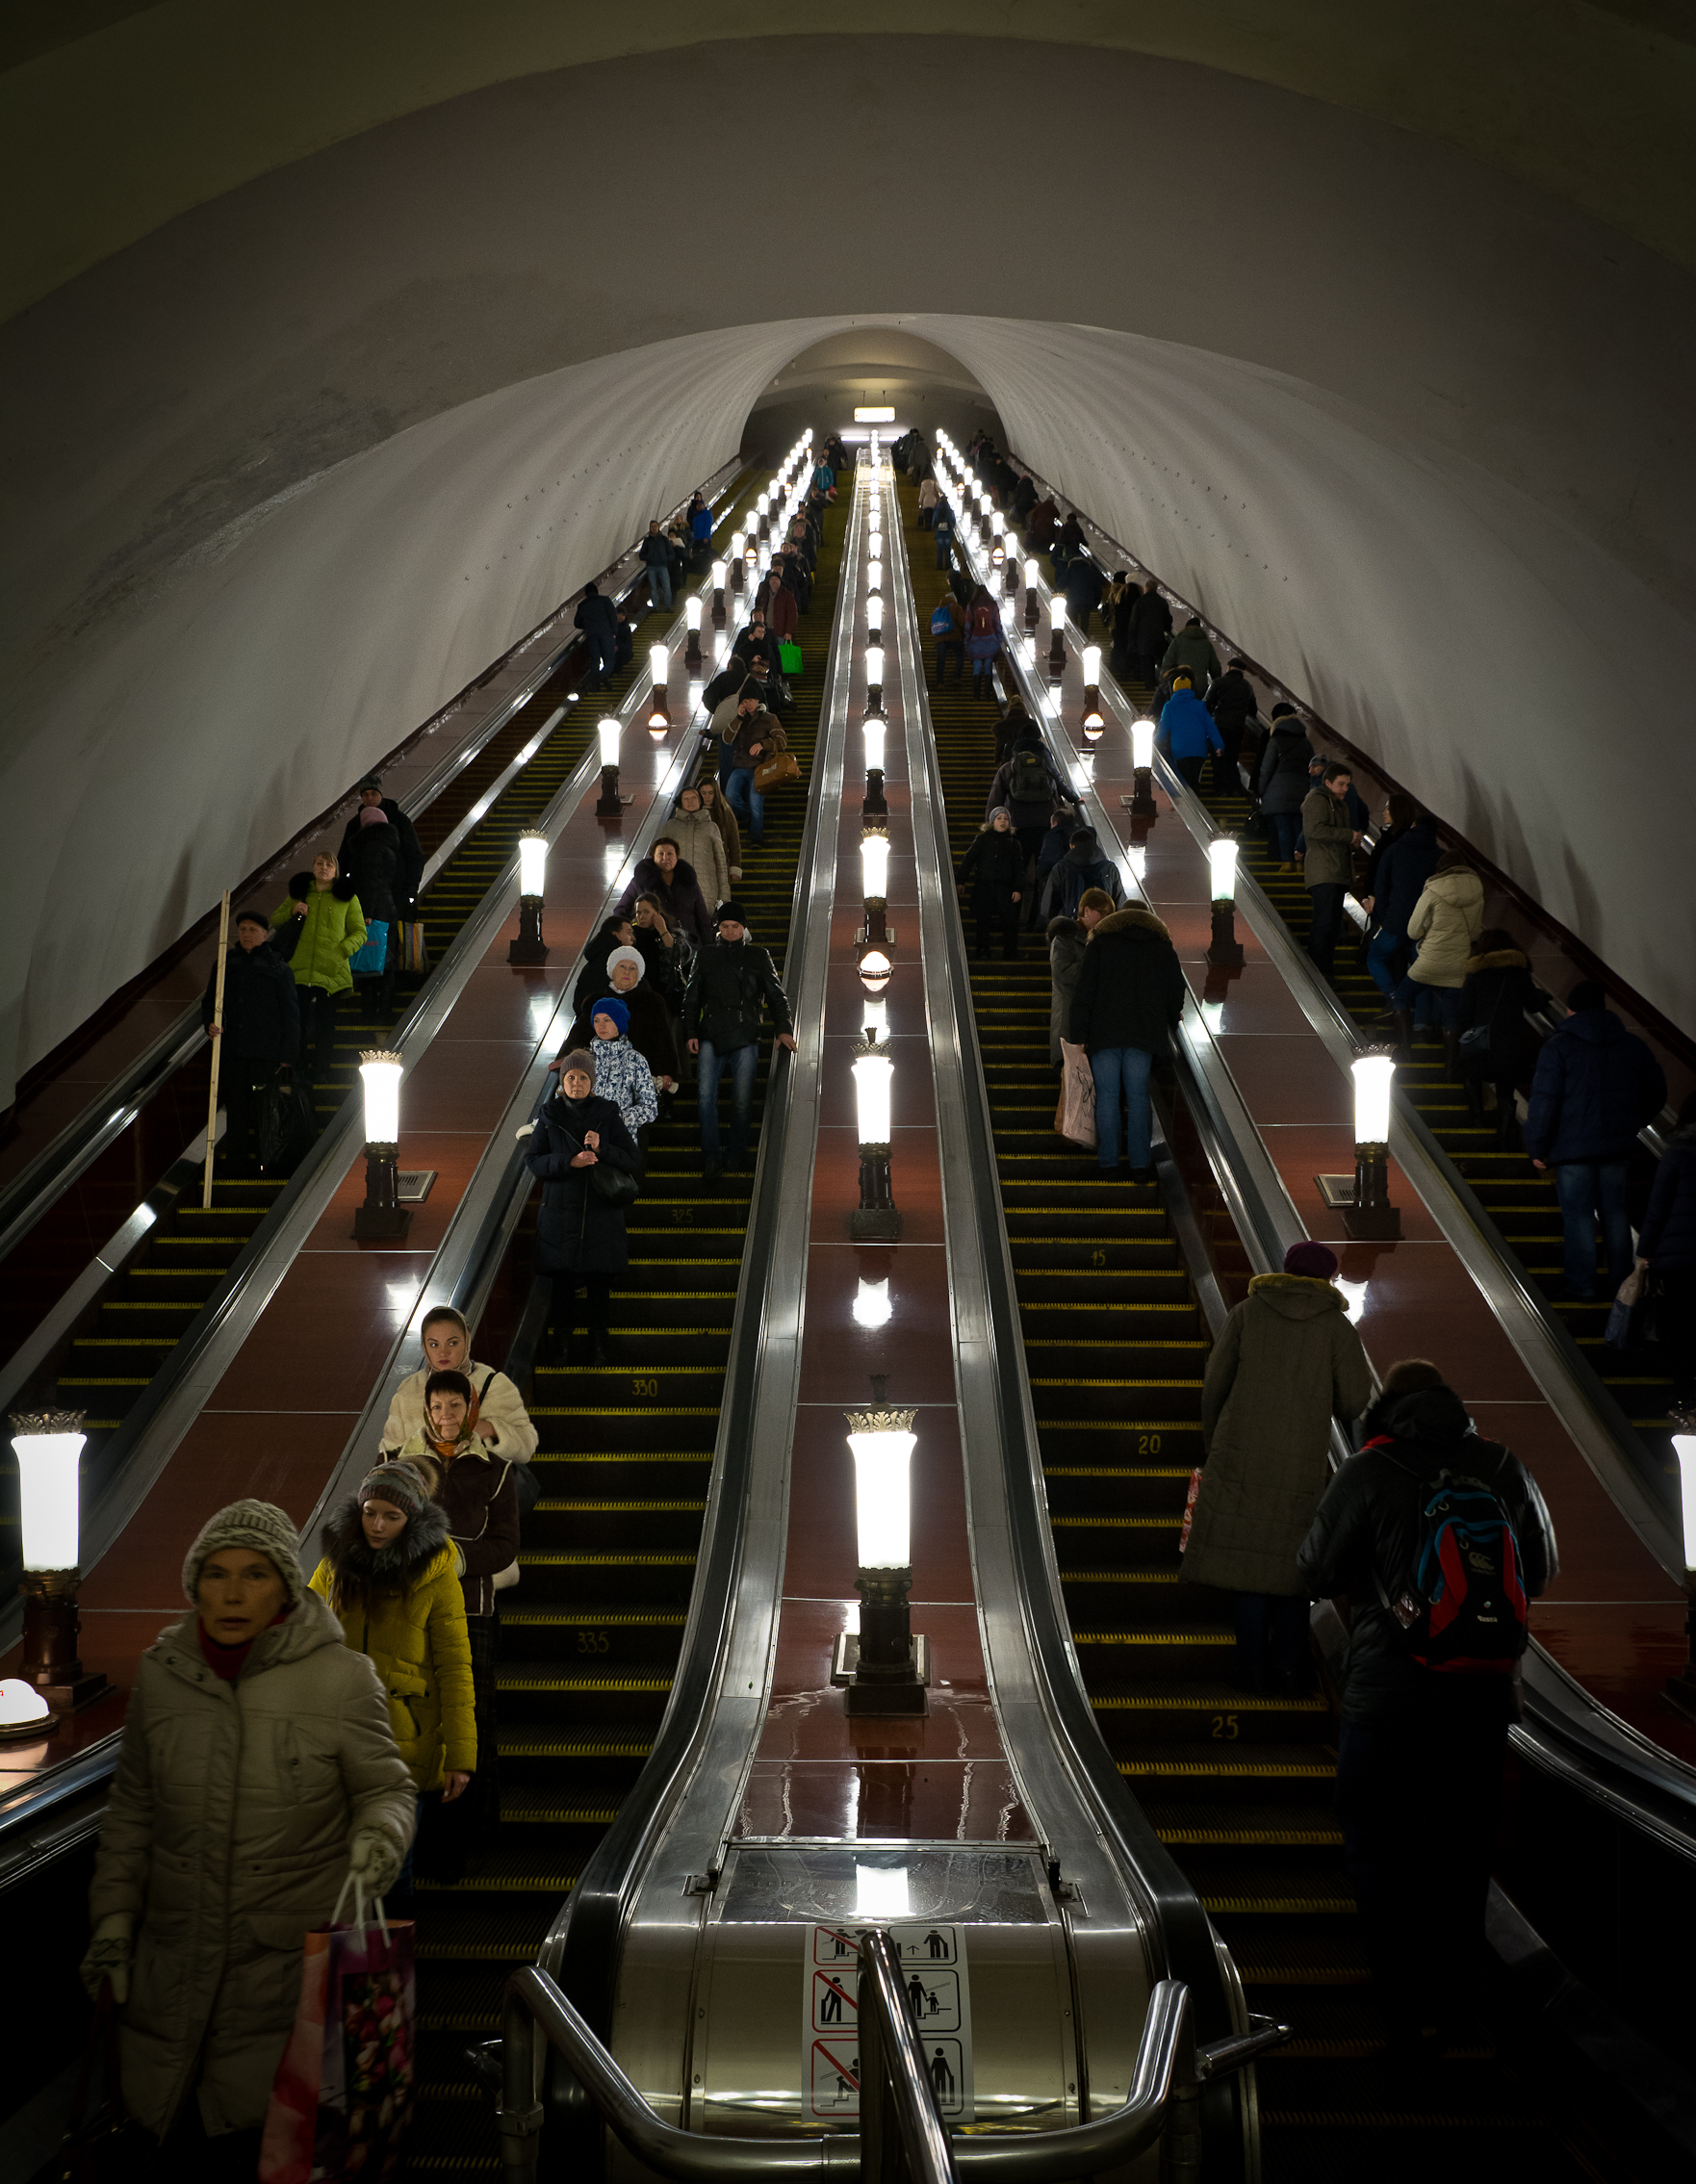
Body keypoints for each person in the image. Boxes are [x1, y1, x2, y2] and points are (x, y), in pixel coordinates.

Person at [80, 1501, 413, 2178]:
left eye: (256, 1575)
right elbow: (133, 1811)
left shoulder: (342, 1679)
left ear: (287, 1587)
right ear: (194, 1583)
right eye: (216, 1574)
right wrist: (113, 1921)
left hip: (285, 1993)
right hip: (166, 1984)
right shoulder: (162, 1675)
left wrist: (380, 1835)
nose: (232, 1593)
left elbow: (387, 1787)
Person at [1298, 1369, 1556, 2058]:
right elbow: (1542, 1566)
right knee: (1461, 1856)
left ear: (1385, 1413)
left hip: (1386, 1702)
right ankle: (1454, 2012)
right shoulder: (1500, 1463)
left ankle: (1402, 2016)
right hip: (1478, 1703)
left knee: (1380, 1850)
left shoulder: (1368, 1468)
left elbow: (1316, 1568)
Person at [1184, 1240, 1375, 1696]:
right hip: (1301, 1462)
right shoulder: (1337, 1329)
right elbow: (1353, 1401)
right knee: (1291, 1569)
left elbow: (1215, 1384)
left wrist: (1216, 1442)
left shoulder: (1247, 1313)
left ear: (1285, 1270)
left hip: (1238, 1453)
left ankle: (1250, 1667)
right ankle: (1289, 1670)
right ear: (1327, 1279)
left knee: (1242, 1564)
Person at [309, 1456, 475, 1888]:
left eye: (391, 1516)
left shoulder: (436, 1576)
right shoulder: (335, 1565)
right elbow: (301, 1632)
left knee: (389, 1868)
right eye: (370, 1513)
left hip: (405, 1739)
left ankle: (386, 1957)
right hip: (337, 1738)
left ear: (412, 1518)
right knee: (337, 1867)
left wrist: (460, 1756)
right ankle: (347, 1956)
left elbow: (455, 1667)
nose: (377, 1526)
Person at [389, 1369, 522, 1854]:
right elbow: (377, 1527)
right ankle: (422, 1845)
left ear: (472, 1411)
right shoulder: (397, 1466)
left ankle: (474, 1840)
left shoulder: (495, 1470)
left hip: (472, 1610)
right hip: (412, 1610)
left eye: (455, 1406)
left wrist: (458, 1559)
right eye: (438, 1407)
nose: (446, 1416)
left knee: (473, 1722)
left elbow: (506, 1545)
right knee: (419, 1721)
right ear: (426, 1411)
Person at [1524, 981, 1668, 1299]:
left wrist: (1538, 1146)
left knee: (1578, 1215)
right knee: (1615, 1212)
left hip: (1571, 1148)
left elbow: (1545, 1101)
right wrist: (1631, 1122)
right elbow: (1658, 1091)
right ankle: (1619, 1283)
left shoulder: (1559, 1045)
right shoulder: (1631, 1044)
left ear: (1571, 1009)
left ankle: (1583, 1284)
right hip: (1616, 1148)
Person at [527, 1052, 643, 1361]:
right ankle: (563, 1345)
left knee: (599, 1285)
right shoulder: (550, 1115)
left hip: (600, 1214)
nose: (576, 1083)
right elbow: (534, 1161)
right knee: (563, 1285)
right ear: (562, 1083)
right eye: (570, 1078)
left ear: (592, 1082)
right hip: (560, 1213)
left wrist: (603, 1148)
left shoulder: (607, 1114)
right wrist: (570, 1161)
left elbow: (634, 1160)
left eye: (582, 1078)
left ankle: (598, 1345)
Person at [1066, 903, 1187, 1180]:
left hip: (1104, 1032)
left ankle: (1108, 1162)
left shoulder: (1101, 944)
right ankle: (1140, 1164)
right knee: (1137, 1097)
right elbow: (1174, 988)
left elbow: (1084, 990)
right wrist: (1170, 1015)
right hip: (1143, 1034)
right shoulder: (1161, 945)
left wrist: (1079, 1035)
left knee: (1107, 1097)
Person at [682, 901, 796, 1182]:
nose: (730, 931)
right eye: (725, 927)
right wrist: (690, 1033)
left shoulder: (759, 956)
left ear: (743, 928)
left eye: (735, 926)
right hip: (711, 1034)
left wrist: (783, 1029)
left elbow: (776, 995)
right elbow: (692, 996)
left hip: (746, 1035)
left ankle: (736, 1153)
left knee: (742, 1101)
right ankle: (712, 1156)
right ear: (718, 929)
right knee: (706, 1098)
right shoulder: (706, 956)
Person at [202, 907, 300, 1170]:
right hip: (233, 1051)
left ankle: (266, 1161)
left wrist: (287, 1056)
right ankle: (237, 1165)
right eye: (242, 929)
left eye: (252, 930)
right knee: (236, 1110)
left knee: (264, 1110)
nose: (246, 934)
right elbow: (210, 1002)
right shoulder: (225, 966)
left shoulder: (278, 968)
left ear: (264, 935)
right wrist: (209, 1025)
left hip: (266, 1053)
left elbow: (290, 1014)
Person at [378, 1302, 539, 1463]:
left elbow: (526, 1446)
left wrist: (491, 1429)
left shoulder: (493, 1384)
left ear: (466, 1341)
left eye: (453, 1343)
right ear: (424, 1347)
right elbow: (390, 1454)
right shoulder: (409, 1391)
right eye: (434, 1344)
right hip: (424, 1485)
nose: (443, 1352)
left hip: (479, 1485)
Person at [270, 850, 367, 1081]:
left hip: (332, 971)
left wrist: (342, 951)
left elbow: (360, 931)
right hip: (300, 969)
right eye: (320, 863)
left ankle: (322, 1068)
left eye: (329, 865)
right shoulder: (300, 893)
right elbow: (275, 919)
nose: (324, 868)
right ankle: (300, 1066)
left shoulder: (347, 897)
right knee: (298, 1023)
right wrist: (293, 911)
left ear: (336, 871)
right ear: (313, 867)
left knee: (326, 1024)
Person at [1388, 851, 1485, 1063]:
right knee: (1451, 1015)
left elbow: (1413, 932)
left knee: (1402, 997)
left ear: (1441, 869)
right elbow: (1476, 932)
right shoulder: (1477, 890)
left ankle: (1406, 1050)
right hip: (1459, 964)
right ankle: (1451, 1069)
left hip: (1429, 962)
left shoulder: (1432, 890)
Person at [1636, 1092, 1696, 1421]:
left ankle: (1686, 1397)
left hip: (1679, 1260)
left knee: (1679, 1326)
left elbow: (1657, 1208)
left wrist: (1645, 1253)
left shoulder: (1678, 1153)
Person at [1454, 928, 1545, 1145]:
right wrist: (1544, 996)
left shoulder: (1476, 973)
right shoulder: (1518, 973)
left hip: (1482, 1042)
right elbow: (1533, 1005)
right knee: (1506, 1085)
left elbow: (1463, 1012)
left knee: (1470, 1074)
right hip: (1511, 1041)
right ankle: (1504, 1133)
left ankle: (1478, 1120)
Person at [565, 945, 681, 1100]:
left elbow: (663, 1039)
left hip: (641, 1078)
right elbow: (579, 1036)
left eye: (633, 968)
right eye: (622, 966)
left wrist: (667, 1071)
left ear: (639, 974)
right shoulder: (596, 1001)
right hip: (602, 1081)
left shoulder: (652, 1001)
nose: (627, 972)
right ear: (612, 970)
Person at [1359, 795, 1439, 1010]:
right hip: (1426, 923)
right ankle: (1421, 1023)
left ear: (1414, 825)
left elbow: (1381, 885)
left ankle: (1396, 1000)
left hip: (1396, 919)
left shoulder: (1393, 848)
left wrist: (1385, 916)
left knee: (1375, 958)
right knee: (1419, 969)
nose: (1384, 812)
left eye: (1388, 808)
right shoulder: (1440, 856)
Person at [1298, 760, 1362, 982]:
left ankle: (1326, 969)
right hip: (1323, 872)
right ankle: (1318, 971)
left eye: (1347, 784)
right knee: (1324, 922)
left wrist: (1352, 841)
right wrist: (1348, 835)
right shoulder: (1317, 800)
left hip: (1336, 872)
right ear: (1327, 782)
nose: (1345, 789)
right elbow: (1314, 830)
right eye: (1341, 784)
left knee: (1332, 924)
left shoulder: (1339, 804)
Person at [344, 802, 403, 1019]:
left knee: (369, 960)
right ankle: (384, 1010)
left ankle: (370, 1012)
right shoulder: (387, 844)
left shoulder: (370, 846)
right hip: (387, 907)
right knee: (385, 960)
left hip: (373, 909)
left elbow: (370, 881)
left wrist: (367, 911)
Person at [338, 776, 424, 917]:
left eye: (373, 793)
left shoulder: (399, 821)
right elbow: (344, 859)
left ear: (381, 794)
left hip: (396, 892)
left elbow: (414, 856)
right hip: (364, 894)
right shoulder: (354, 824)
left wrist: (411, 889)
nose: (369, 798)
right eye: (365, 795)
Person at [1047, 887, 1114, 1066]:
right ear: (1086, 911)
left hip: (1091, 1028)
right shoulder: (1064, 938)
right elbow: (1062, 973)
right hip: (1068, 1024)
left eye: (1109, 914)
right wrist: (1092, 964)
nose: (1106, 918)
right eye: (1102, 913)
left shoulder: (1100, 942)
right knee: (1069, 1085)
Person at [987, 729, 1066, 879]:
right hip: (1045, 825)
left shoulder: (1008, 768)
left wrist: (991, 827)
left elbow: (995, 801)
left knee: (1017, 868)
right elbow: (1058, 790)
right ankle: (1039, 899)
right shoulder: (1047, 767)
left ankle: (1017, 897)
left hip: (1017, 825)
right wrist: (1074, 800)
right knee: (1043, 870)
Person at [583, 995, 659, 1146]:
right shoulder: (583, 1058)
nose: (601, 1026)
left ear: (618, 1023)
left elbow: (650, 1107)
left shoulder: (635, 1059)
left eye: (607, 1020)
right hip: (583, 1141)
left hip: (619, 1143)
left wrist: (619, 1119)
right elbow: (563, 1096)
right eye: (596, 1020)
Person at [615, 835, 715, 948]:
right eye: (660, 854)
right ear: (653, 856)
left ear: (676, 856)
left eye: (670, 854)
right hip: (652, 944)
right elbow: (621, 910)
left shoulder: (689, 881)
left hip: (687, 943)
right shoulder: (640, 882)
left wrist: (708, 946)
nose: (665, 858)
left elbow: (702, 916)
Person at [958, 809, 1024, 960]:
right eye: (999, 818)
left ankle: (1010, 952)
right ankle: (982, 951)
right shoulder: (982, 840)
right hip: (984, 887)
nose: (1003, 821)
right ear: (992, 822)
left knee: (1009, 922)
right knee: (983, 920)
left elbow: (1019, 868)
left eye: (1006, 818)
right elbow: (968, 860)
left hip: (1005, 888)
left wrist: (1018, 888)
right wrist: (961, 880)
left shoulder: (1014, 843)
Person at [725, 706, 787, 850]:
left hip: (760, 768)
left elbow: (782, 740)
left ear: (758, 701)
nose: (748, 703)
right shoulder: (738, 718)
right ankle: (750, 818)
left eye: (751, 700)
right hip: (739, 766)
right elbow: (726, 738)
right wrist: (738, 718)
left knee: (756, 804)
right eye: (745, 700)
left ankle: (756, 838)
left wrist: (763, 744)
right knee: (730, 798)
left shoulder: (769, 718)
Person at [1256, 706, 1311, 866]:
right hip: (1302, 790)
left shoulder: (1276, 740)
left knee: (1283, 828)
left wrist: (1262, 789)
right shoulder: (1305, 743)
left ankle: (1287, 862)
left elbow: (1266, 768)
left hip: (1278, 792)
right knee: (1298, 828)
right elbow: (1311, 767)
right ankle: (1299, 862)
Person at [1156, 671, 1225, 794]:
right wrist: (1218, 745)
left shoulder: (1169, 706)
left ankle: (1189, 807)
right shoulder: (1199, 706)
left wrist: (1154, 743)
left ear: (1175, 689)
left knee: (1183, 781)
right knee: (1195, 779)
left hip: (1179, 750)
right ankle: (1197, 804)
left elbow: (1163, 729)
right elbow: (1211, 727)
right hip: (1199, 750)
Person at [1039, 825, 1124, 923]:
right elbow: (1120, 903)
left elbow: (1048, 907)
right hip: (1101, 925)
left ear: (1071, 846)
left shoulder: (1061, 868)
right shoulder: (1110, 868)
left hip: (1071, 926)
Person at [667, 782, 732, 908]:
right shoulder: (670, 827)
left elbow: (721, 863)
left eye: (694, 798)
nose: (690, 801)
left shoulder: (711, 827)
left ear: (700, 801)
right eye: (686, 799)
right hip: (677, 889)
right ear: (681, 802)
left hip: (707, 890)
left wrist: (724, 896)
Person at [1205, 660, 1257, 801]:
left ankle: (1220, 789)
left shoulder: (1218, 682)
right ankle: (1234, 789)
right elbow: (1253, 710)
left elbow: (1207, 703)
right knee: (1232, 757)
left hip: (1218, 727)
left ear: (1228, 668)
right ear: (1242, 671)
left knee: (1217, 757)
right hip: (1237, 728)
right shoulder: (1247, 686)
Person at [695, 774, 742, 882]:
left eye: (710, 793)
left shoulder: (724, 811)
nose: (707, 796)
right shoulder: (693, 812)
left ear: (715, 793)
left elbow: (734, 840)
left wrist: (735, 866)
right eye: (704, 793)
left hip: (720, 864)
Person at [574, 579, 619, 689]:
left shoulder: (582, 605)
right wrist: (614, 632)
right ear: (596, 591)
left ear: (586, 593)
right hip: (606, 633)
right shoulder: (605, 600)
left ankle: (594, 685)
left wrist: (589, 625)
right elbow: (613, 616)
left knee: (595, 659)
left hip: (592, 635)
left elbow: (577, 623)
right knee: (609, 658)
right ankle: (603, 675)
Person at [1159, 613, 1221, 693]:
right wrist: (1217, 685)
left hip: (1180, 682)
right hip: (1200, 686)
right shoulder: (1206, 644)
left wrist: (1163, 680)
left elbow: (1168, 662)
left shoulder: (1177, 642)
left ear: (1185, 628)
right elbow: (1215, 668)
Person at [1128, 579, 1172, 689]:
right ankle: (1162, 686)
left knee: (1147, 662)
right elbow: (1168, 619)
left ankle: (1149, 685)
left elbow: (1134, 622)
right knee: (1159, 660)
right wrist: (1166, 629)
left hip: (1143, 638)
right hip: (1158, 637)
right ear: (1156, 589)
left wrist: (1132, 640)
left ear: (1146, 588)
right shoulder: (1162, 602)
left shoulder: (1140, 601)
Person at [964, 584, 1003, 702]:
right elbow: (997, 623)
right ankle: (987, 695)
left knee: (976, 666)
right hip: (990, 639)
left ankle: (976, 695)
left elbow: (968, 624)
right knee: (988, 666)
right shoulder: (993, 605)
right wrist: (999, 638)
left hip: (976, 639)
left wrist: (967, 640)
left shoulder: (972, 605)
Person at [1062, 549, 1104, 635]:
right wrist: (1096, 603)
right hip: (1087, 602)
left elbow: (1062, 583)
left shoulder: (1070, 570)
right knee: (1085, 621)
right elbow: (1098, 590)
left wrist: (1057, 590)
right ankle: (1083, 637)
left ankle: (1074, 636)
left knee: (1073, 621)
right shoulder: (1093, 572)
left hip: (1072, 601)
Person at [930, 587, 965, 684]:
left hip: (940, 639)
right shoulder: (957, 608)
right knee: (960, 656)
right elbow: (962, 623)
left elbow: (929, 626)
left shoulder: (937, 610)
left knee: (940, 659)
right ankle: (956, 678)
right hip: (955, 637)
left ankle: (940, 682)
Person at [639, 519, 674, 609]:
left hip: (662, 565)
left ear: (659, 527)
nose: (654, 528)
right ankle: (655, 606)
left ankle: (667, 606)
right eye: (652, 527)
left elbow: (671, 553)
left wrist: (665, 558)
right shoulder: (647, 541)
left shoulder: (664, 539)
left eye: (655, 526)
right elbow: (641, 555)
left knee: (666, 586)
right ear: (649, 528)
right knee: (653, 587)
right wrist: (649, 557)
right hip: (651, 566)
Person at [933, 497, 956, 572]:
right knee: (947, 550)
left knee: (939, 550)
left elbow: (934, 521)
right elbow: (953, 522)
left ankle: (939, 566)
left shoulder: (937, 511)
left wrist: (935, 528)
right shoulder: (950, 511)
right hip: (948, 534)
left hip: (939, 533)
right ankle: (947, 566)